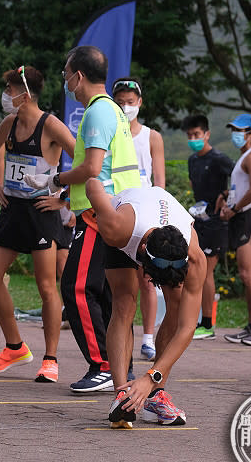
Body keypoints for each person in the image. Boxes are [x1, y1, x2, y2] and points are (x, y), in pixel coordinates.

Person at [27, 47, 142, 392]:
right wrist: (65, 197)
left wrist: (57, 179)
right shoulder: (115, 111)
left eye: (66, 74)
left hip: (100, 215)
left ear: (78, 75)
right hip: (114, 209)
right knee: (109, 293)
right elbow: (104, 169)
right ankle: (122, 365)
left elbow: (92, 169)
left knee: (77, 287)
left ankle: (104, 364)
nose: (66, 81)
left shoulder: (96, 113)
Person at [0, 66, 76, 382]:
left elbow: (87, 160)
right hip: (12, 209)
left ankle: (50, 359)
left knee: (46, 286)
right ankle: (14, 347)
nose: (6, 97)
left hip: (41, 211)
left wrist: (63, 200)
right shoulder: (10, 123)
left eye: (9, 90)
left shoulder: (51, 125)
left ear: (24, 93)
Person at [86, 181, 205, 428]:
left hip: (161, 231)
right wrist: (102, 199)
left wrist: (152, 377)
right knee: (124, 303)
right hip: (127, 227)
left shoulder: (195, 258)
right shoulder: (117, 227)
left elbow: (187, 328)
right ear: (141, 253)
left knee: (177, 304)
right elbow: (92, 183)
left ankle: (154, 395)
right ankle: (121, 396)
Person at [112, 77, 165, 360]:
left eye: (130, 102)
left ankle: (148, 338)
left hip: (145, 215)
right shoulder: (110, 135)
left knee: (147, 278)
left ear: (140, 103)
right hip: (118, 212)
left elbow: (160, 182)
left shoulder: (151, 137)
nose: (125, 106)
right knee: (120, 281)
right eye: (120, 102)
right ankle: (120, 337)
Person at [216, 114, 251, 345]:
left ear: (250, 133)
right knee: (245, 274)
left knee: (250, 275)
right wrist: (226, 198)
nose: (235, 134)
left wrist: (234, 209)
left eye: (240, 130)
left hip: (247, 217)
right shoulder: (244, 157)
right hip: (241, 216)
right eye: (233, 130)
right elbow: (243, 188)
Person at [181, 114, 234, 339]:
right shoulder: (193, 160)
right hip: (198, 220)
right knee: (194, 270)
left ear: (207, 134)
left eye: (197, 134)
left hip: (216, 223)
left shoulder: (220, 159)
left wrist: (226, 197)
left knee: (206, 272)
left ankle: (207, 324)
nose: (193, 138)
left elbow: (241, 179)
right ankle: (193, 322)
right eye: (190, 135)